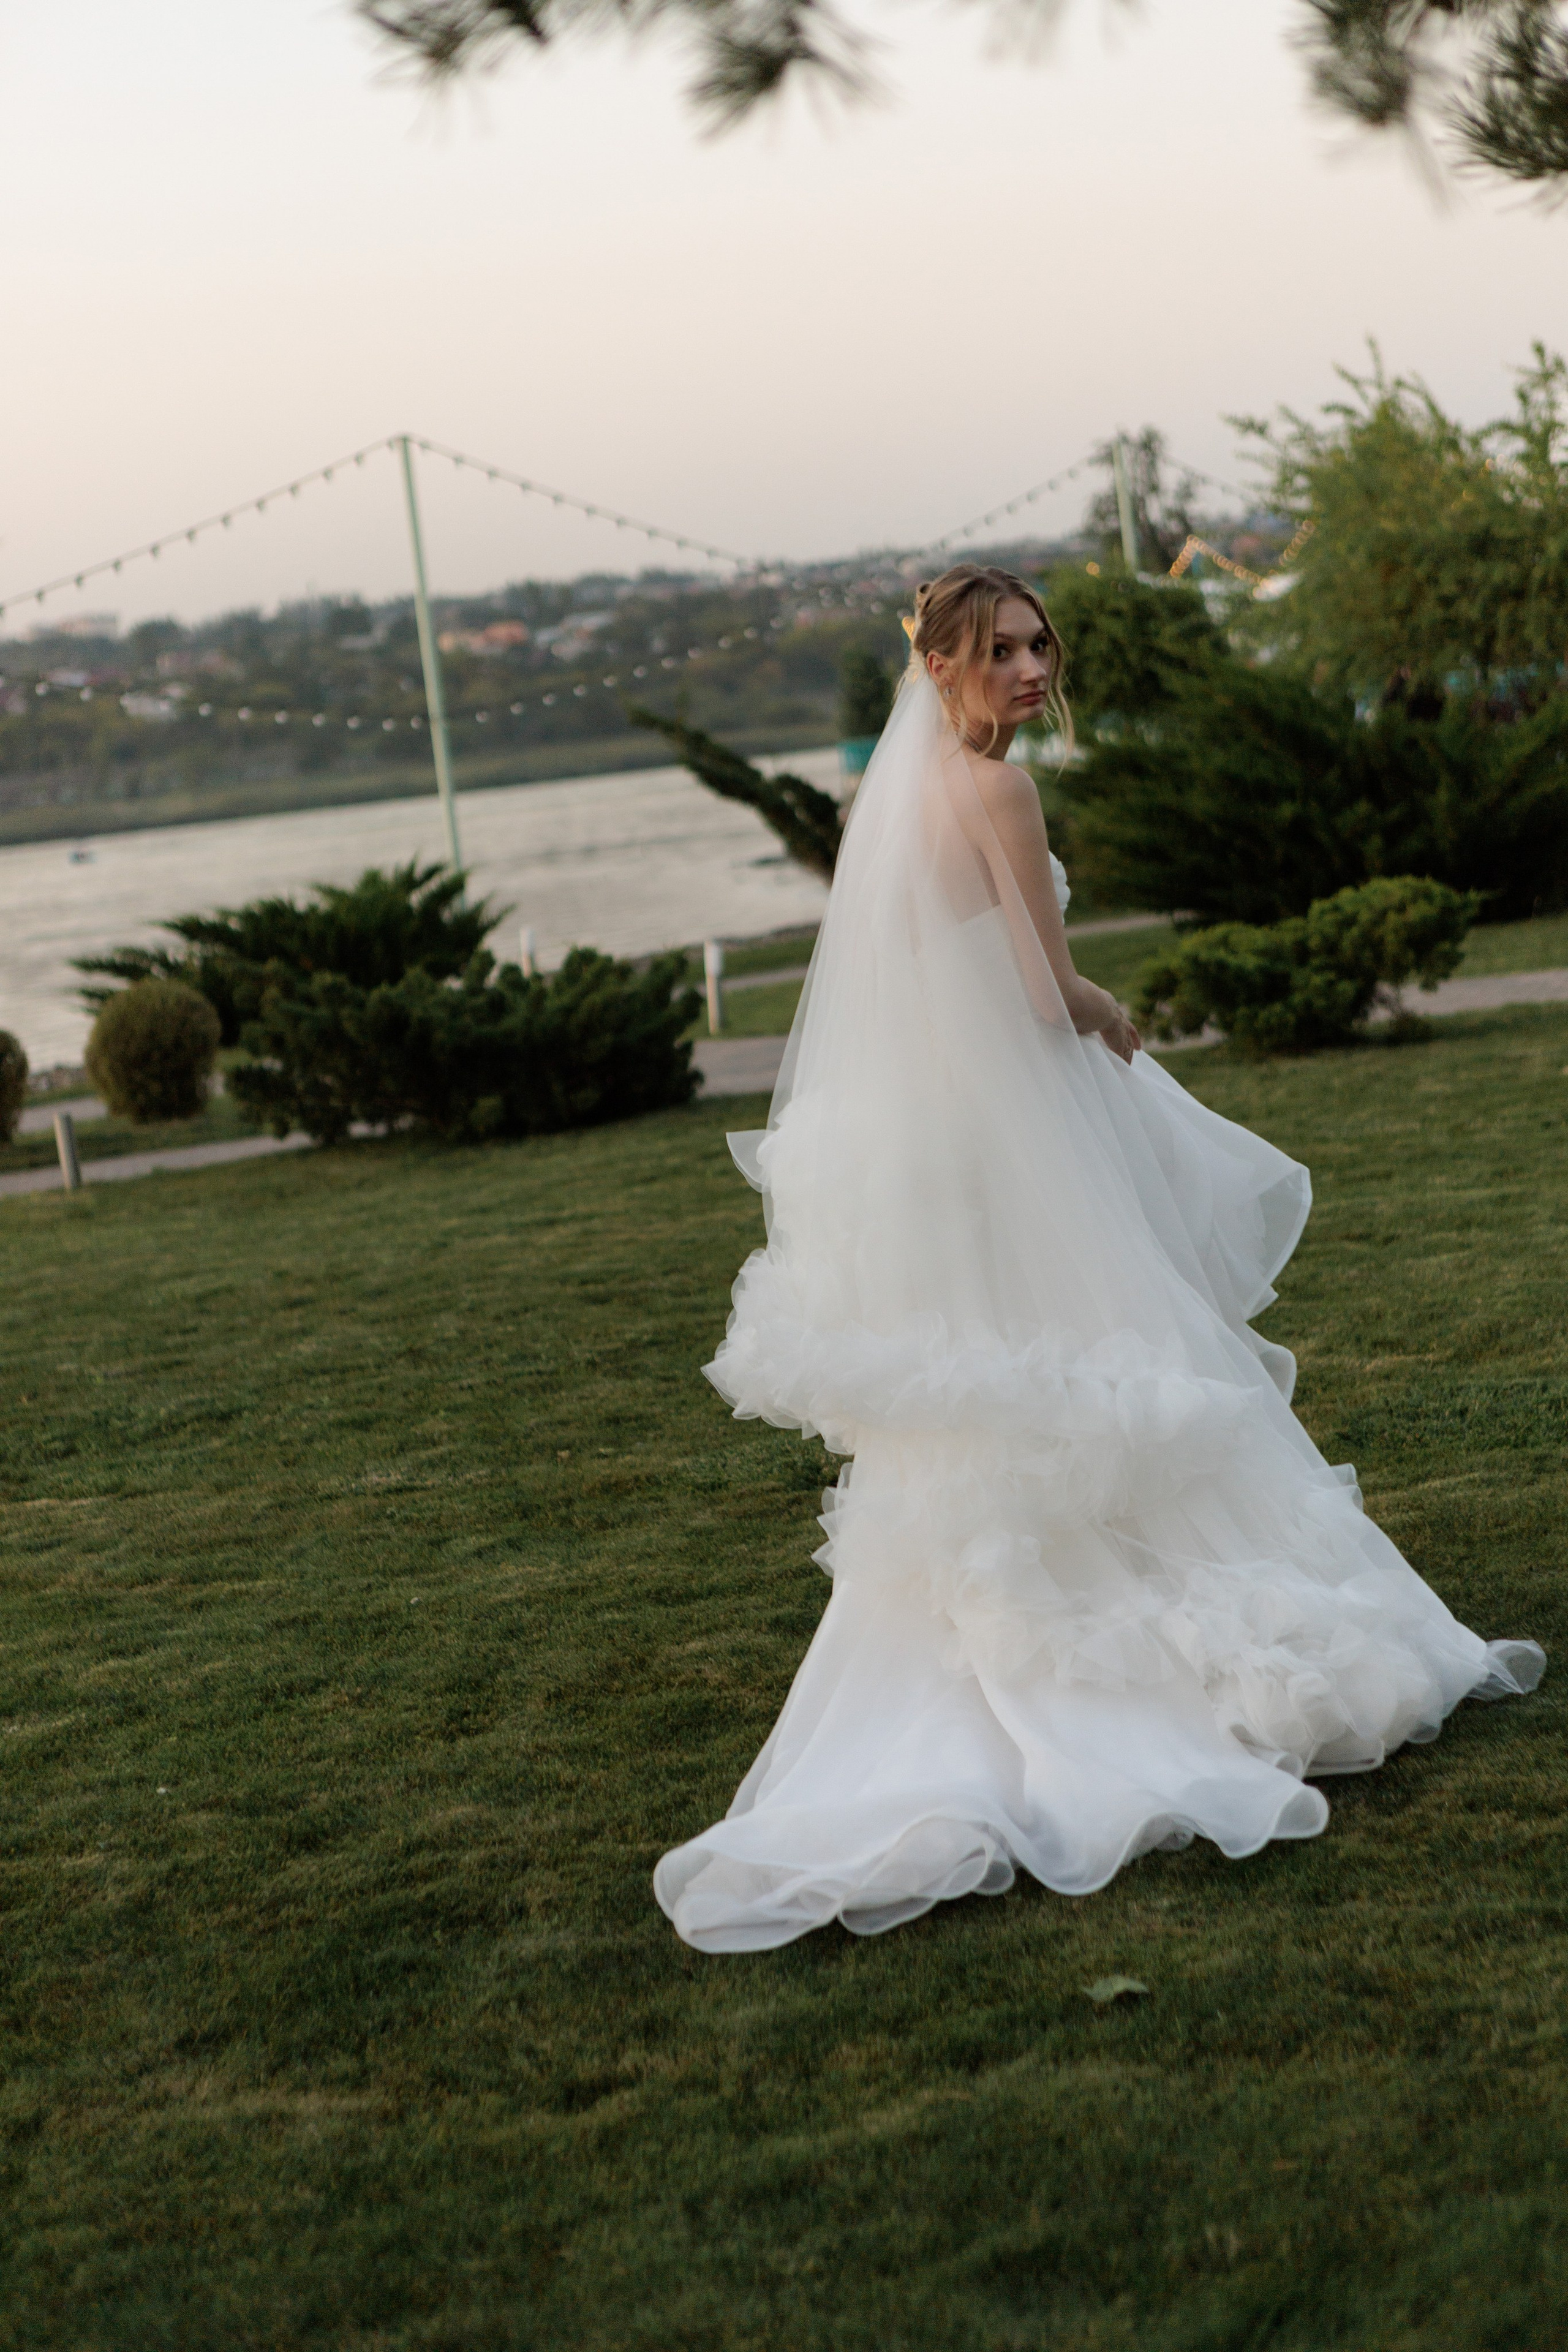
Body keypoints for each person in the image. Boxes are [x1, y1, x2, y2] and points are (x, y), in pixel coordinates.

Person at [654, 563, 1543, 1954]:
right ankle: (1150, 1655)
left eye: (1034, 644)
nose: (1027, 668)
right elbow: (1037, 988)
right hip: (1026, 1118)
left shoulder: (905, 799)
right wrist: (1106, 1005)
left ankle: (1019, 1636)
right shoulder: (997, 789)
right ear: (941, 667)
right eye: (996, 650)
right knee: (1116, 1362)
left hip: (950, 1138)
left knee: (1014, 1391)